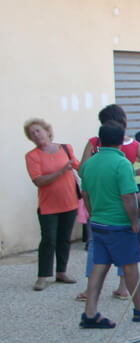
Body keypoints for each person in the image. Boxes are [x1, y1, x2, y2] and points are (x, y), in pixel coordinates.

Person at [78, 122, 140, 329]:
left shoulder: (88, 164)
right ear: (121, 141)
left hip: (98, 223)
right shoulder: (122, 164)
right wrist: (134, 222)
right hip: (120, 224)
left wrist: (93, 214)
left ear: (100, 140)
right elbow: (128, 197)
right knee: (130, 266)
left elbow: (85, 195)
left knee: (99, 266)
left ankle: (90, 312)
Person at [24, 118, 81, 290]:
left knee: (65, 239)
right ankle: (43, 276)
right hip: (48, 205)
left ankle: (61, 272)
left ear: (47, 131)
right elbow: (39, 181)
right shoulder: (32, 156)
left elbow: (78, 166)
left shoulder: (65, 148)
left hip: (69, 202)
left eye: (38, 130)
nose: (36, 135)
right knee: (48, 239)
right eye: (32, 133)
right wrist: (62, 170)